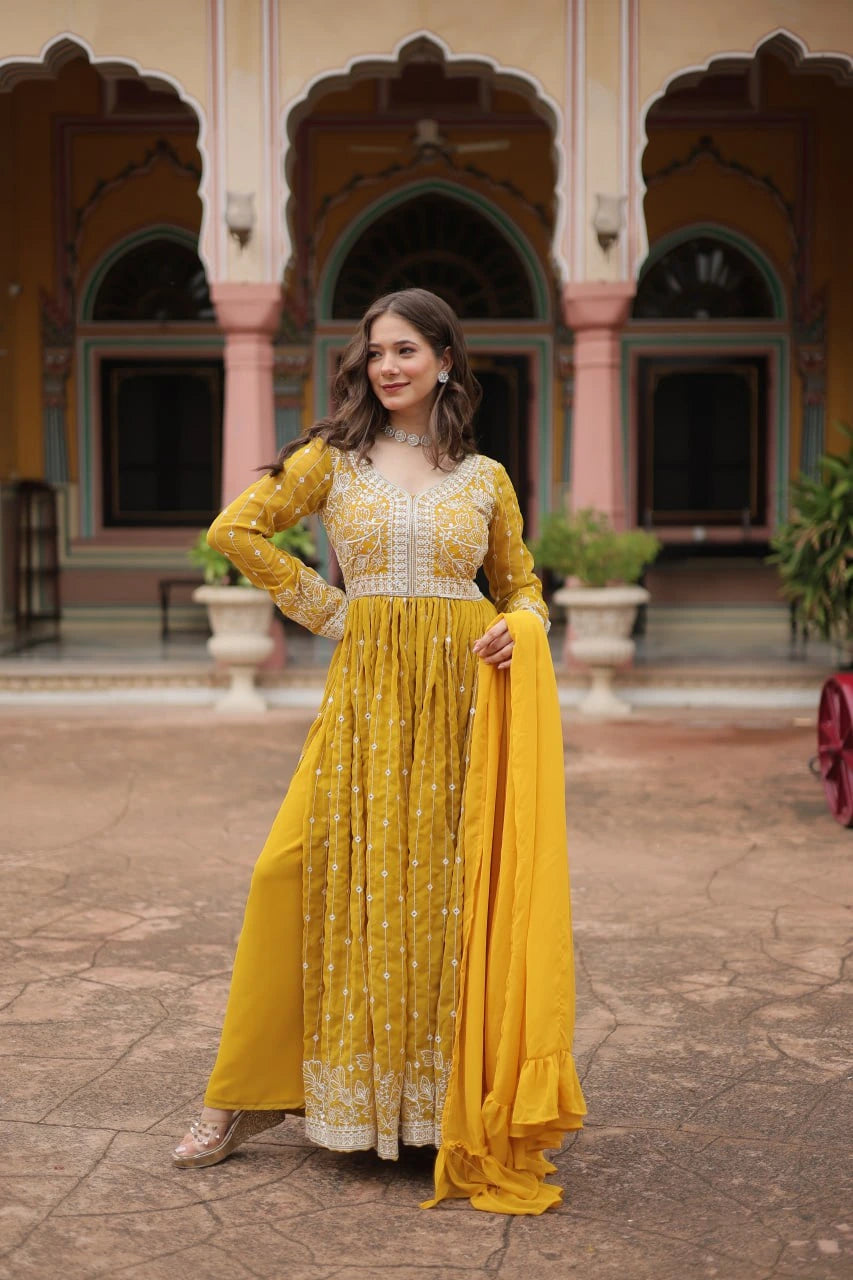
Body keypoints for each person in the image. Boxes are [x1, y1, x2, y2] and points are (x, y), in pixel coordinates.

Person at [172, 288, 584, 1212]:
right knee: (289, 870)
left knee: (441, 895)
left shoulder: (485, 479)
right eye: (374, 353)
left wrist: (518, 627)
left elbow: (522, 588)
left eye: (405, 350)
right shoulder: (333, 461)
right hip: (364, 699)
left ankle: (428, 1104)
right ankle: (243, 1095)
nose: (386, 366)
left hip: (462, 707)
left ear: (444, 359)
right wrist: (329, 609)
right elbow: (233, 530)